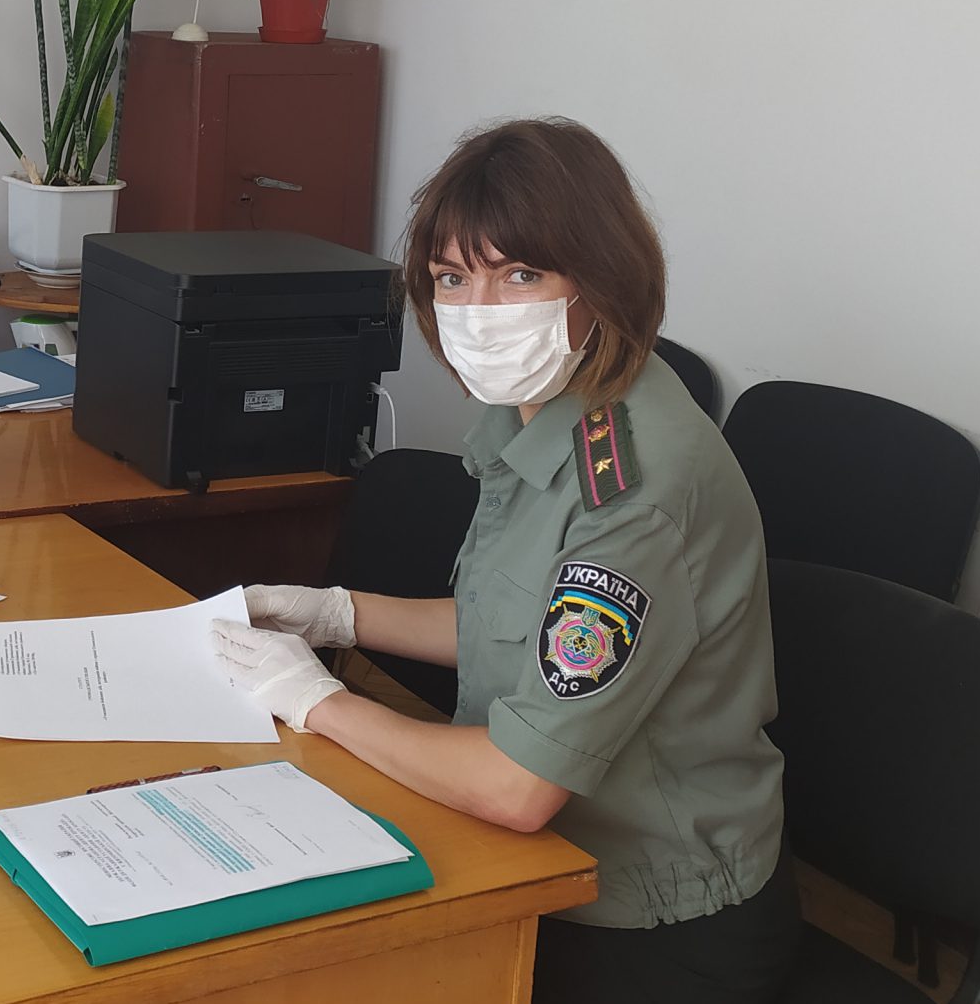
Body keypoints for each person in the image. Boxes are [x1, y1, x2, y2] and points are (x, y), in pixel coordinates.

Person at [212, 118, 796, 1004]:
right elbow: (512, 625)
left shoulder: (632, 491)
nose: (480, 310)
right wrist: (335, 612)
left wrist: (316, 699)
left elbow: (519, 787)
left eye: (520, 273)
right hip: (533, 855)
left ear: (601, 279)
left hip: (647, 915)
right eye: (453, 277)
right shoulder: (539, 404)